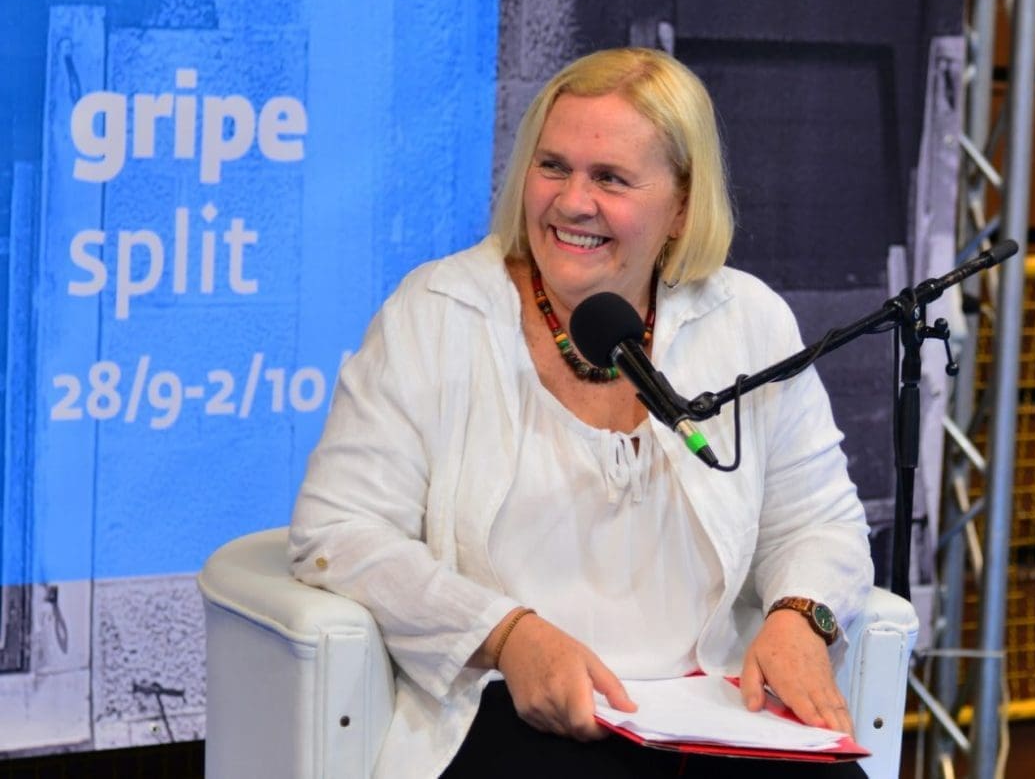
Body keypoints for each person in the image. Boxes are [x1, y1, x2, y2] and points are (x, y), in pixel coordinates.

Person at [289, 47, 874, 778]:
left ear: (681, 206)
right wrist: (507, 634)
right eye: (553, 167)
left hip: (717, 710)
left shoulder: (747, 319)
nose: (572, 201)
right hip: (510, 709)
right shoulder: (435, 313)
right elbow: (338, 532)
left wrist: (800, 613)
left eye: (610, 179)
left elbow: (820, 520)